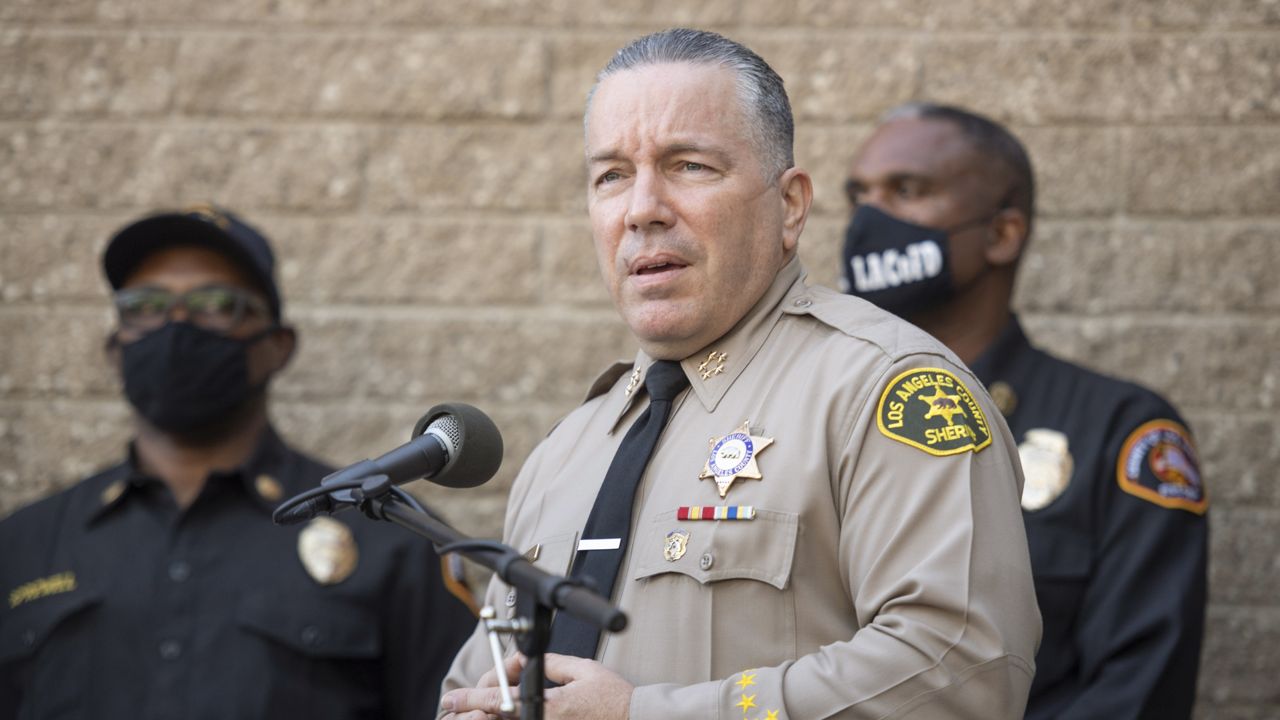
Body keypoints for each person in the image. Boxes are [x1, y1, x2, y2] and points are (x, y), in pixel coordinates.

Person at [439, 29, 1040, 720]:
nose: (641, 210)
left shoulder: (885, 391)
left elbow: (962, 670)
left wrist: (646, 716)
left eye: (688, 165)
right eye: (611, 176)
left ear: (789, 207)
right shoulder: (570, 449)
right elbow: (474, 682)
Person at [0, 205, 475, 719]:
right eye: (145, 304)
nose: (176, 324)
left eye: (216, 303)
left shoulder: (391, 538)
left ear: (277, 346)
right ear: (115, 347)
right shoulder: (23, 547)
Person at [839, 103, 1208, 718]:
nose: (872, 220)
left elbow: (1138, 692)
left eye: (907, 190)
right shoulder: (822, 419)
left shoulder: (1120, 433)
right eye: (860, 196)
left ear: (1002, 233)